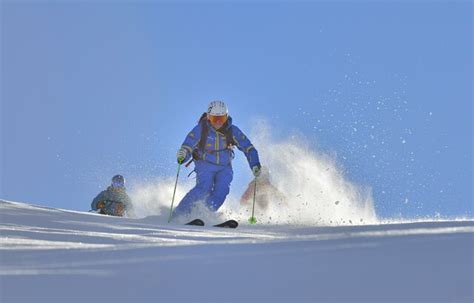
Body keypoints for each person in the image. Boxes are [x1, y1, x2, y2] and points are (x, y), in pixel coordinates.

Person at [173, 100, 261, 218]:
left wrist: (255, 164)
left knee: (222, 191)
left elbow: (248, 148)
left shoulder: (232, 130)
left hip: (224, 167)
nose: (219, 122)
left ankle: (204, 214)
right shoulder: (201, 129)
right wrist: (183, 155)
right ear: (209, 117)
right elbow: (189, 144)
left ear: (227, 117)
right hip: (205, 163)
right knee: (204, 188)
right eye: (215, 119)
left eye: (222, 118)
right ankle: (179, 214)